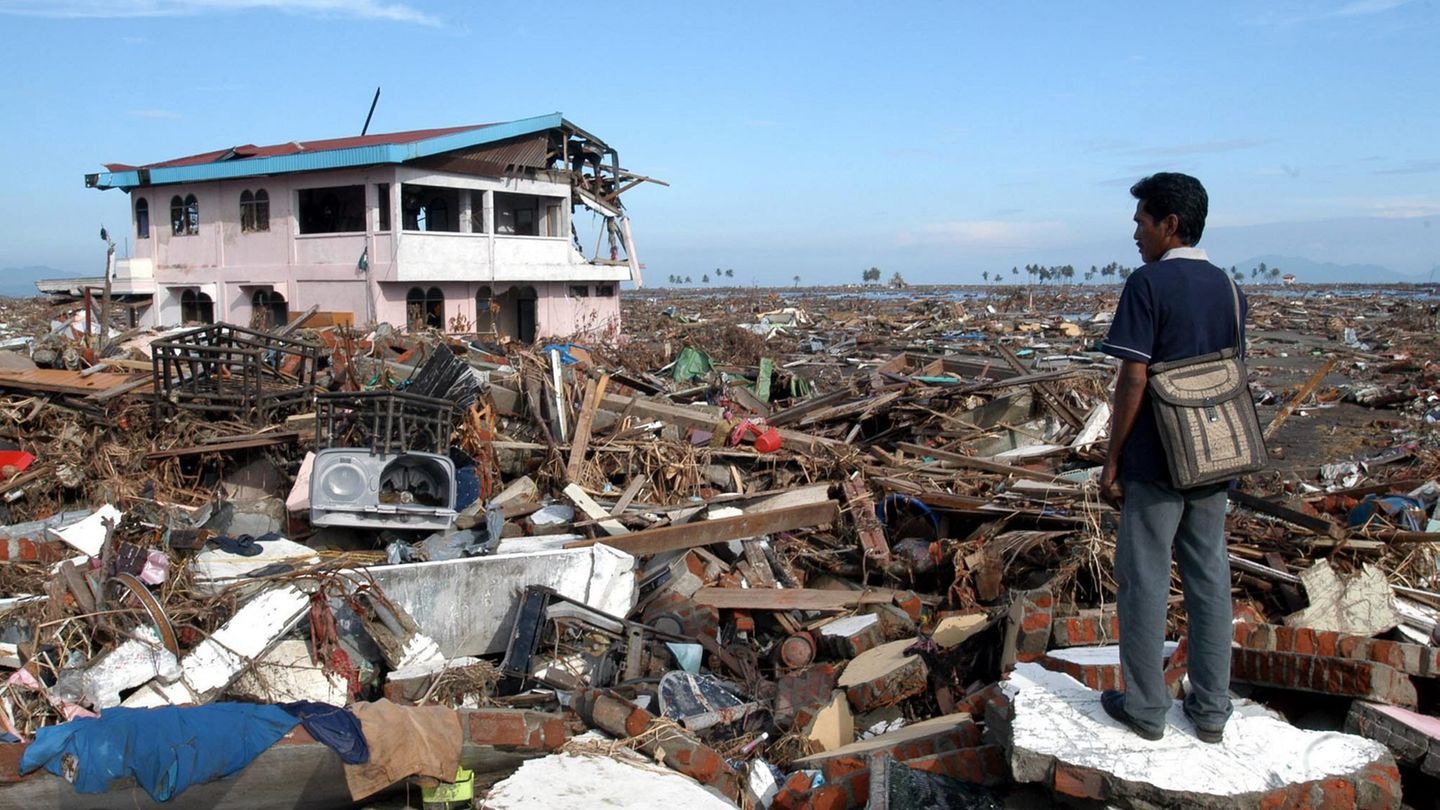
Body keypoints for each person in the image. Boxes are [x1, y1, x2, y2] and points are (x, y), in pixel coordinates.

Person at [1098, 172, 1243, 744]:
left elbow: (1133, 378)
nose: (1135, 233)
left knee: (1145, 580)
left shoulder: (1148, 284)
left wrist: (1113, 460)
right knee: (1210, 579)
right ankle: (1210, 712)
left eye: (1142, 221)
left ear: (1169, 225)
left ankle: (1145, 709)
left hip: (1157, 461)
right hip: (1214, 456)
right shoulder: (1230, 289)